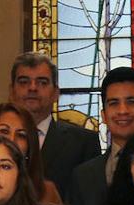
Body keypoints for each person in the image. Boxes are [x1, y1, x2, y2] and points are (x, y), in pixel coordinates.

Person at [9, 51, 101, 195]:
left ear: (56, 93)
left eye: (42, 82)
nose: (32, 88)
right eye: (24, 82)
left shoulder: (83, 143)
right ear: (12, 92)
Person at [68, 67, 134, 205]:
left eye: (132, 102)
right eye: (114, 103)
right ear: (103, 115)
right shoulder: (82, 176)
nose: (122, 111)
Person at [0, 101, 63, 204]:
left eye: (21, 135)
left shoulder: (46, 193)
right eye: (4, 131)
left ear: (30, 145)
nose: (12, 140)